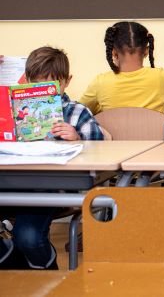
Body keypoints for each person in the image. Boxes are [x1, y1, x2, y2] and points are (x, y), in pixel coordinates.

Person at [0, 46, 104, 271]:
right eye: (36, 85)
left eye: (52, 85)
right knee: (18, 243)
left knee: (28, 236)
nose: (44, 92)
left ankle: (45, 271)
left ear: (67, 82)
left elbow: (100, 151)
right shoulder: (10, 111)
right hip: (10, 185)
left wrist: (77, 139)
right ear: (26, 80)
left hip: (52, 189)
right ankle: (13, 263)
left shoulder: (77, 112)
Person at [80, 21, 164, 114]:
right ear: (146, 51)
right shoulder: (160, 76)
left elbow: (81, 110)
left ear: (114, 53)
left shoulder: (100, 82)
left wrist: (102, 106)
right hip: (153, 136)